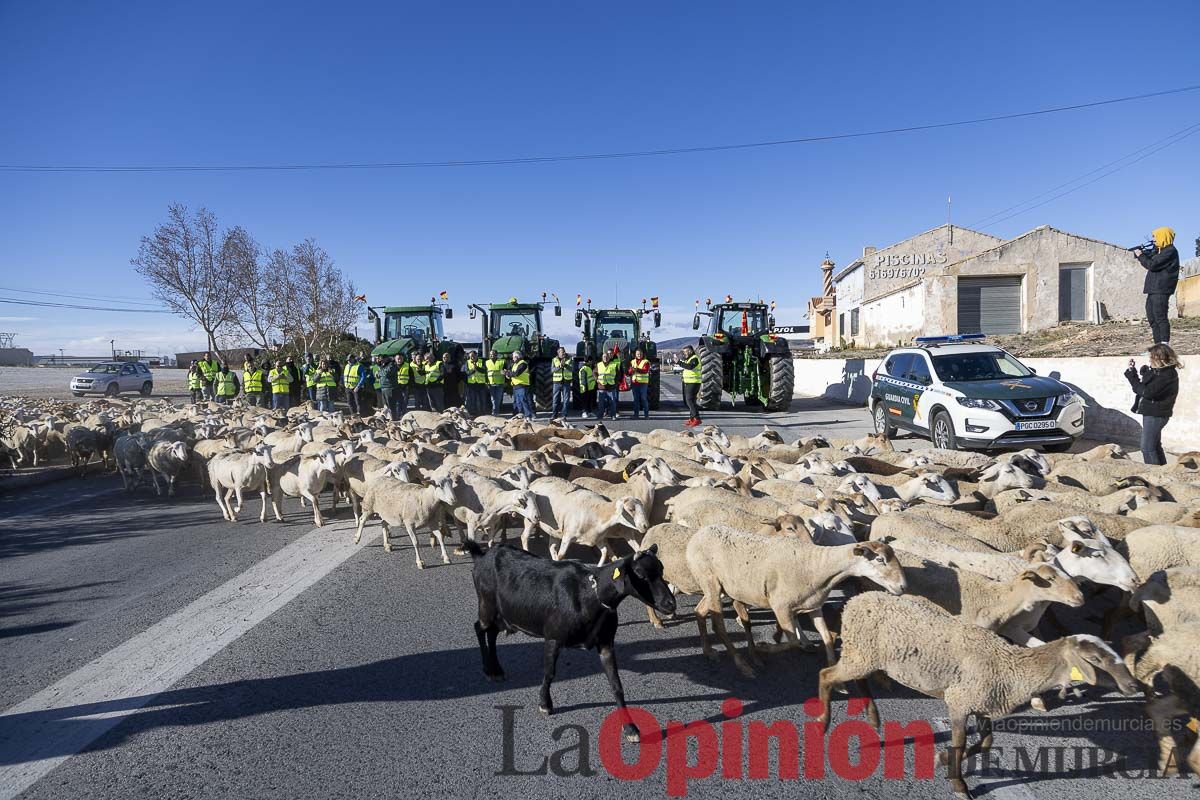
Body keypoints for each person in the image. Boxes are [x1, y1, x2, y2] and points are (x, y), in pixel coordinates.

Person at [1125, 343, 1180, 466]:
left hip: (1156, 415)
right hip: (1153, 413)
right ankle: (1163, 472)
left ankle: (1155, 474)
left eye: (1152, 358)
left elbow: (1146, 392)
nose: (1150, 360)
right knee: (1154, 445)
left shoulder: (1167, 375)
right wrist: (1134, 371)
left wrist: (1132, 376)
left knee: (1147, 448)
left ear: (1160, 358)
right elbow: (1144, 387)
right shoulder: (1160, 372)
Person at [1136, 227, 1181, 345]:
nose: (1154, 239)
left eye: (1156, 237)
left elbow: (1152, 265)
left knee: (1160, 317)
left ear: (1163, 236)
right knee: (1152, 319)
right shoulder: (1159, 251)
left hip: (1161, 289)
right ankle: (1157, 347)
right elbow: (1150, 257)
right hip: (1153, 289)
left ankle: (1165, 346)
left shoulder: (1170, 251)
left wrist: (1141, 255)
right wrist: (1142, 253)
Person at [679, 344, 703, 427]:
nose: (685, 353)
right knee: (690, 401)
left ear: (690, 351)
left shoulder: (695, 358)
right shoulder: (688, 359)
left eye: (686, 351)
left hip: (694, 382)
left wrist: (679, 362)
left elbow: (690, 367)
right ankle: (692, 418)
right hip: (689, 381)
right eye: (684, 352)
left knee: (689, 400)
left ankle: (697, 418)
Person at [507, 350, 534, 420]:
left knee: (523, 400)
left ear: (517, 357)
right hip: (516, 386)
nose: (512, 359)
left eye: (513, 357)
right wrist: (508, 374)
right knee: (517, 402)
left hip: (522, 385)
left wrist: (508, 374)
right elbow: (512, 373)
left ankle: (528, 415)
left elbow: (516, 373)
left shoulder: (523, 364)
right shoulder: (515, 364)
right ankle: (520, 415)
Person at [595, 350, 620, 420]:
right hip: (602, 387)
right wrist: (596, 379)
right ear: (602, 358)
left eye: (606, 356)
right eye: (604, 357)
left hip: (611, 387)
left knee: (612, 402)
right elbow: (594, 372)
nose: (605, 358)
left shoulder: (614, 365)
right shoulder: (599, 365)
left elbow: (618, 374)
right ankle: (600, 416)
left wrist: (615, 382)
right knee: (601, 403)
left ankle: (613, 415)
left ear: (609, 357)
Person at [628, 348, 651, 420]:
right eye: (638, 354)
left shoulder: (646, 362)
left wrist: (636, 369)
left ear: (643, 354)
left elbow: (645, 370)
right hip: (635, 383)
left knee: (644, 398)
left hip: (643, 383)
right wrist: (631, 371)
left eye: (640, 354)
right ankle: (636, 415)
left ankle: (646, 415)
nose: (639, 355)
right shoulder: (632, 362)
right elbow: (629, 371)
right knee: (636, 399)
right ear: (635, 354)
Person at [550, 346, 572, 420]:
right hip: (556, 383)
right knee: (555, 399)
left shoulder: (569, 359)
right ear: (558, 353)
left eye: (564, 351)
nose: (563, 353)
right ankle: (554, 415)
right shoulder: (554, 360)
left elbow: (572, 369)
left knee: (566, 400)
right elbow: (552, 370)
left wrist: (565, 365)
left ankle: (564, 415)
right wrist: (559, 366)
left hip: (566, 382)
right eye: (562, 352)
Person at [464, 351, 488, 417]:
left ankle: (484, 413)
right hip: (472, 384)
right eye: (470, 356)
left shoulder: (482, 361)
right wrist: (473, 370)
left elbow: (484, 371)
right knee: (473, 400)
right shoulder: (467, 362)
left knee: (483, 400)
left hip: (481, 384)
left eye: (473, 356)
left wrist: (477, 368)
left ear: (476, 355)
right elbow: (467, 372)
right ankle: (474, 414)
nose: (472, 357)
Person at [376, 354, 400, 420]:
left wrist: (379, 372)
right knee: (386, 406)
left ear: (386, 358)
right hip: (383, 387)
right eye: (380, 359)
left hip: (390, 388)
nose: (381, 361)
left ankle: (394, 419)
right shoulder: (384, 366)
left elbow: (386, 373)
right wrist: (379, 371)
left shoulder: (392, 365)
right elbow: (382, 374)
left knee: (391, 406)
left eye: (382, 359)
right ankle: (388, 419)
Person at [485, 348, 507, 415]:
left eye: (494, 354)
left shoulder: (502, 361)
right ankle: (495, 412)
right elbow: (485, 373)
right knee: (493, 399)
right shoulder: (487, 362)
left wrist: (506, 381)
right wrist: (486, 382)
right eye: (491, 354)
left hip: (500, 383)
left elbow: (505, 372)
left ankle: (495, 412)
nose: (492, 356)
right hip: (491, 384)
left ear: (496, 355)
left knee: (498, 399)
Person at [393, 354, 412, 418]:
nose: (399, 360)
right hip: (396, 387)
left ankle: (404, 415)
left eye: (400, 358)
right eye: (398, 358)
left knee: (404, 402)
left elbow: (411, 376)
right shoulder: (393, 366)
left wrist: (408, 385)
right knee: (397, 402)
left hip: (405, 386)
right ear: (395, 359)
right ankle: (398, 416)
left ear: (403, 359)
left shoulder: (407, 365)